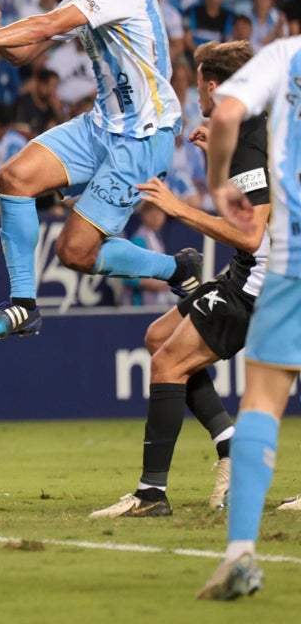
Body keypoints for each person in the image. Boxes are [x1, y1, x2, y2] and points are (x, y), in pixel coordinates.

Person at [0, 0, 197, 340]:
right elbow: (25, 54)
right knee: (15, 177)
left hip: (142, 137)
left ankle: (177, 268)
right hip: (101, 125)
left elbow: (43, 26)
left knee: (75, 253)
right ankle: (23, 305)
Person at [90, 40, 268, 519]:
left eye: (199, 86)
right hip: (249, 270)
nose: (197, 100)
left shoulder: (251, 141)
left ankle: (151, 495)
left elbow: (252, 235)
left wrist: (177, 208)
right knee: (158, 336)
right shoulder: (244, 130)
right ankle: (231, 445)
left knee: (168, 365)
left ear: (211, 85)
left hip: (260, 281)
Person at [193, 36, 301, 600]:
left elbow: (230, 110)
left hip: (292, 253)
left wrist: (216, 180)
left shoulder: (285, 56)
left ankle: (239, 554)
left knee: (262, 397)